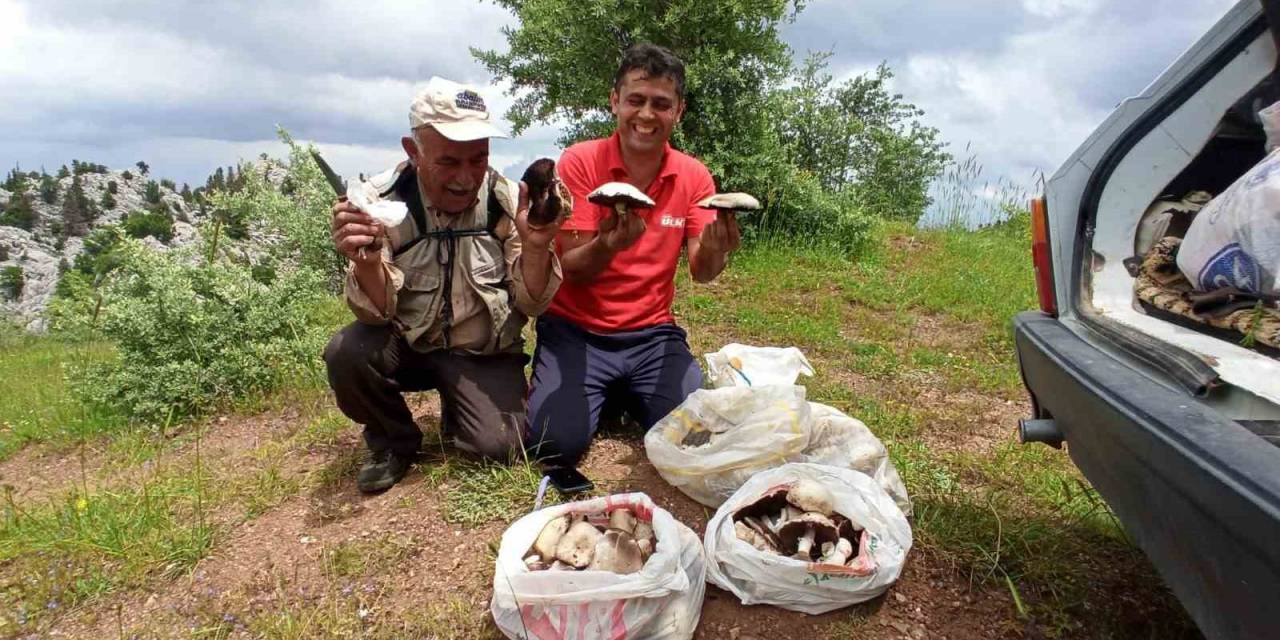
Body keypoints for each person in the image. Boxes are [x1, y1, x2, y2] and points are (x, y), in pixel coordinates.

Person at [326, 77, 564, 492]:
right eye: (449, 162)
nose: (466, 177)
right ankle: (393, 441)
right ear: (413, 151)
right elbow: (376, 313)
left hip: (482, 351)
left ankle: (463, 406)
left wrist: (538, 246)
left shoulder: (508, 201)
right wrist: (365, 262)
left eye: (479, 158)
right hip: (410, 347)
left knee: (499, 447)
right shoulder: (380, 203)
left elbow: (532, 302)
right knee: (348, 352)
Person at [525, 43, 742, 466]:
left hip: (651, 335)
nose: (646, 115)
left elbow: (702, 270)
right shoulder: (581, 162)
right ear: (615, 102)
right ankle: (600, 393)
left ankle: (620, 392)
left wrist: (717, 252)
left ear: (678, 111)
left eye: (661, 104)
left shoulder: (694, 176)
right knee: (554, 447)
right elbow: (568, 269)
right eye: (635, 101)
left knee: (696, 437)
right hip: (576, 330)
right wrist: (608, 245)